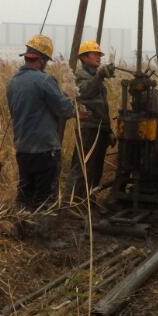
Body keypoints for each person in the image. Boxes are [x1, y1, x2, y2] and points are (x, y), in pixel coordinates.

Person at [6, 34, 76, 222]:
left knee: (25, 193)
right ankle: (44, 236)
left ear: (27, 55)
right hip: (45, 149)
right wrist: (72, 100)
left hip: (23, 147)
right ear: (43, 60)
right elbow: (66, 109)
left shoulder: (13, 82)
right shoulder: (45, 81)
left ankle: (21, 228)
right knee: (46, 197)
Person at [66, 40, 116, 200]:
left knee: (96, 167)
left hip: (99, 128)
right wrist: (100, 75)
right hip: (88, 128)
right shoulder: (80, 77)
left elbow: (103, 109)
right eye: (95, 54)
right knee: (82, 166)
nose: (99, 57)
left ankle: (88, 198)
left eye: (99, 54)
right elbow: (84, 92)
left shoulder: (96, 78)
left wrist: (109, 131)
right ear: (84, 58)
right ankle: (72, 200)